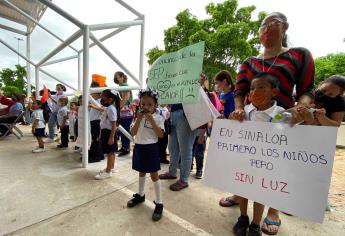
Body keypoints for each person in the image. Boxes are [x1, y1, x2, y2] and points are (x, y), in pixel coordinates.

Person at [221, 12, 316, 235]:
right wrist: (238, 109)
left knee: (273, 169)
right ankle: (240, 195)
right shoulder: (249, 62)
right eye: (262, 25)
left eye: (271, 23)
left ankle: (273, 211)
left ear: (285, 27)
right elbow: (240, 90)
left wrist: (300, 109)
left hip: (282, 121)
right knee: (245, 164)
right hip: (251, 123)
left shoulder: (299, 55)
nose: (265, 28)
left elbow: (307, 90)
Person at [230, 73, 290, 236]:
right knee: (242, 188)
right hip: (245, 160)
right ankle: (243, 217)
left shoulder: (280, 113)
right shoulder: (246, 110)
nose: (255, 92)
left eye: (261, 87)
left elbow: (290, 130)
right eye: (252, 88)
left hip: (266, 164)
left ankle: (256, 224)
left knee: (260, 193)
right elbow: (234, 128)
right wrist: (233, 117)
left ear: (274, 92)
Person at [127, 88, 165, 221]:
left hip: (151, 148)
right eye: (143, 104)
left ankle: (159, 202)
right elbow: (132, 133)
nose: (146, 107)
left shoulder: (159, 117)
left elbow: (160, 134)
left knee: (154, 174)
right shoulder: (138, 116)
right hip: (140, 146)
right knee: (141, 171)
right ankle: (141, 194)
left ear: (155, 105)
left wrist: (151, 120)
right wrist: (139, 119)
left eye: (149, 104)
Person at [159, 103, 197, 190]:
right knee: (172, 148)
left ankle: (184, 180)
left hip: (187, 113)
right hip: (174, 113)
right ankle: (172, 172)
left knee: (186, 150)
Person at [94, 89, 121, 180]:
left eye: (103, 98)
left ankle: (108, 172)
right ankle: (111, 167)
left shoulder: (111, 109)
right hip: (107, 132)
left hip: (109, 132)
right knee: (111, 152)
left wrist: (111, 137)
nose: (102, 100)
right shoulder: (109, 107)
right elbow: (103, 111)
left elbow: (114, 124)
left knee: (110, 152)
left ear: (110, 99)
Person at [114, 71, 134, 156]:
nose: (115, 78)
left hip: (126, 112)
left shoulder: (125, 86)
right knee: (122, 131)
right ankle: (124, 147)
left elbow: (125, 99)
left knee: (125, 130)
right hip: (123, 112)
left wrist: (117, 109)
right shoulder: (120, 87)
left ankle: (126, 148)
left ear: (122, 77)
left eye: (116, 76)